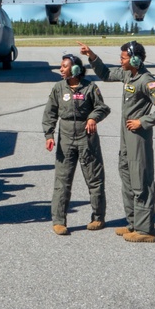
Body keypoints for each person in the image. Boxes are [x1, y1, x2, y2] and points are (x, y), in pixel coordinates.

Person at [78, 40, 155, 243]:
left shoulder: (146, 81)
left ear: (135, 59)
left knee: (141, 181)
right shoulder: (128, 74)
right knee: (127, 178)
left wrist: (143, 121)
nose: (120, 61)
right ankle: (133, 223)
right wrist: (92, 56)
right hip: (126, 136)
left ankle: (146, 230)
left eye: (123, 58)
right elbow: (105, 74)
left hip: (138, 137)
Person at [42, 54, 110, 235]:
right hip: (65, 139)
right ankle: (58, 221)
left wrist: (93, 117)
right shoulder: (58, 88)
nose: (61, 69)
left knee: (95, 180)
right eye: (61, 66)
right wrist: (49, 134)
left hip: (87, 139)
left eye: (64, 66)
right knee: (62, 181)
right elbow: (50, 113)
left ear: (75, 70)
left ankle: (98, 218)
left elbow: (102, 108)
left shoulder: (90, 87)